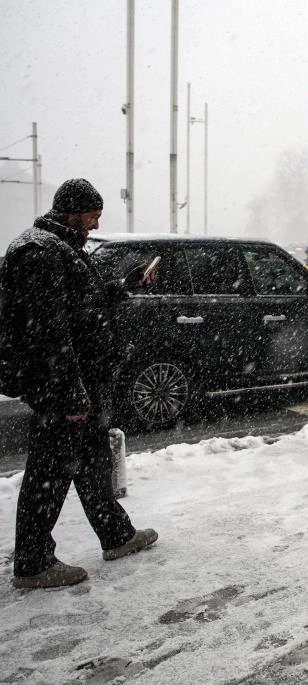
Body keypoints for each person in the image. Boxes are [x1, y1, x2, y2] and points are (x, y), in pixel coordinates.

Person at [0, 179, 158, 590]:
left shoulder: (60, 247)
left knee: (91, 462)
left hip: (77, 381)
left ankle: (116, 536)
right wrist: (70, 392)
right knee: (48, 473)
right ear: (71, 212)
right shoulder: (39, 252)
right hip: (60, 385)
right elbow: (49, 332)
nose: (95, 223)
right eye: (92, 215)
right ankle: (33, 563)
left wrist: (124, 286)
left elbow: (79, 306)